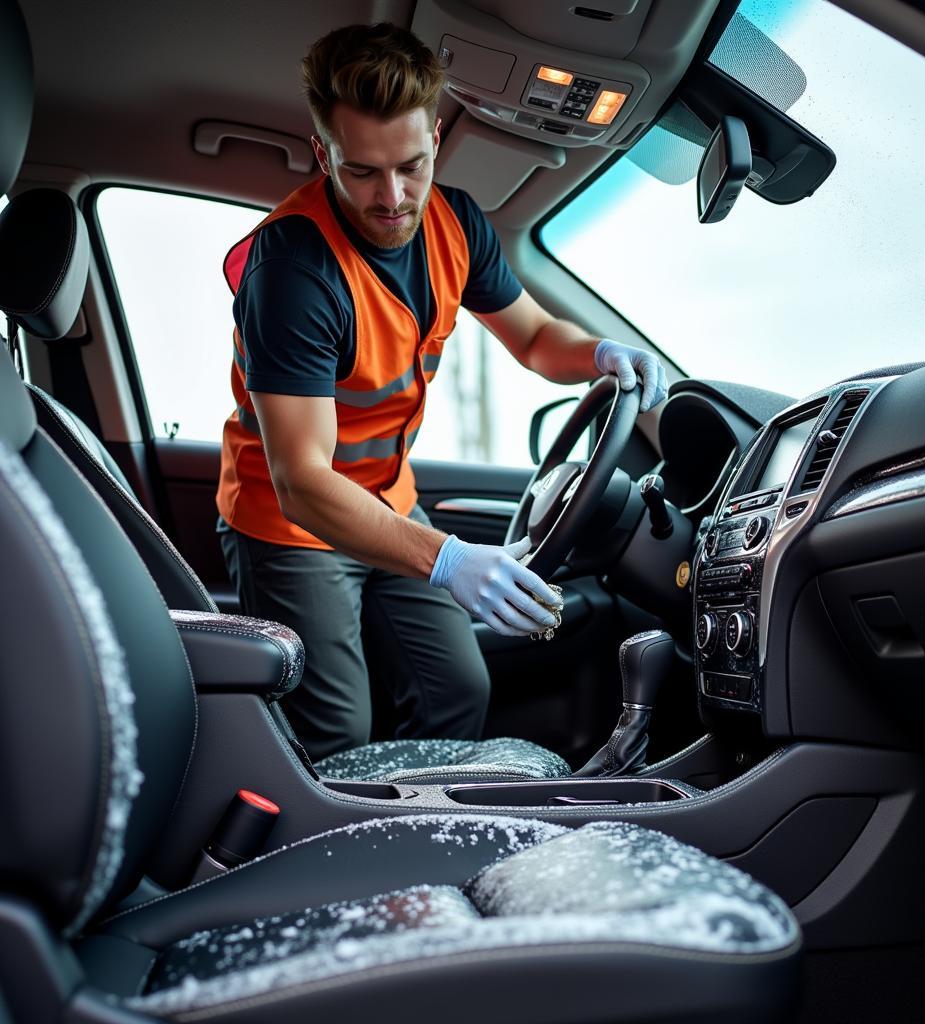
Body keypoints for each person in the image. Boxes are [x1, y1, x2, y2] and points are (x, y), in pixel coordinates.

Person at [215, 21, 668, 763]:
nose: (392, 197)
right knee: (334, 731)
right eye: (361, 171)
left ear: (434, 136)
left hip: (389, 496)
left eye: (411, 165)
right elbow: (302, 482)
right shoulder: (293, 269)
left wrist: (599, 352)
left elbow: (531, 336)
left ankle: (414, 829)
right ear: (323, 150)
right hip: (291, 526)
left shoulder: (457, 222)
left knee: (458, 690)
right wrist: (452, 561)